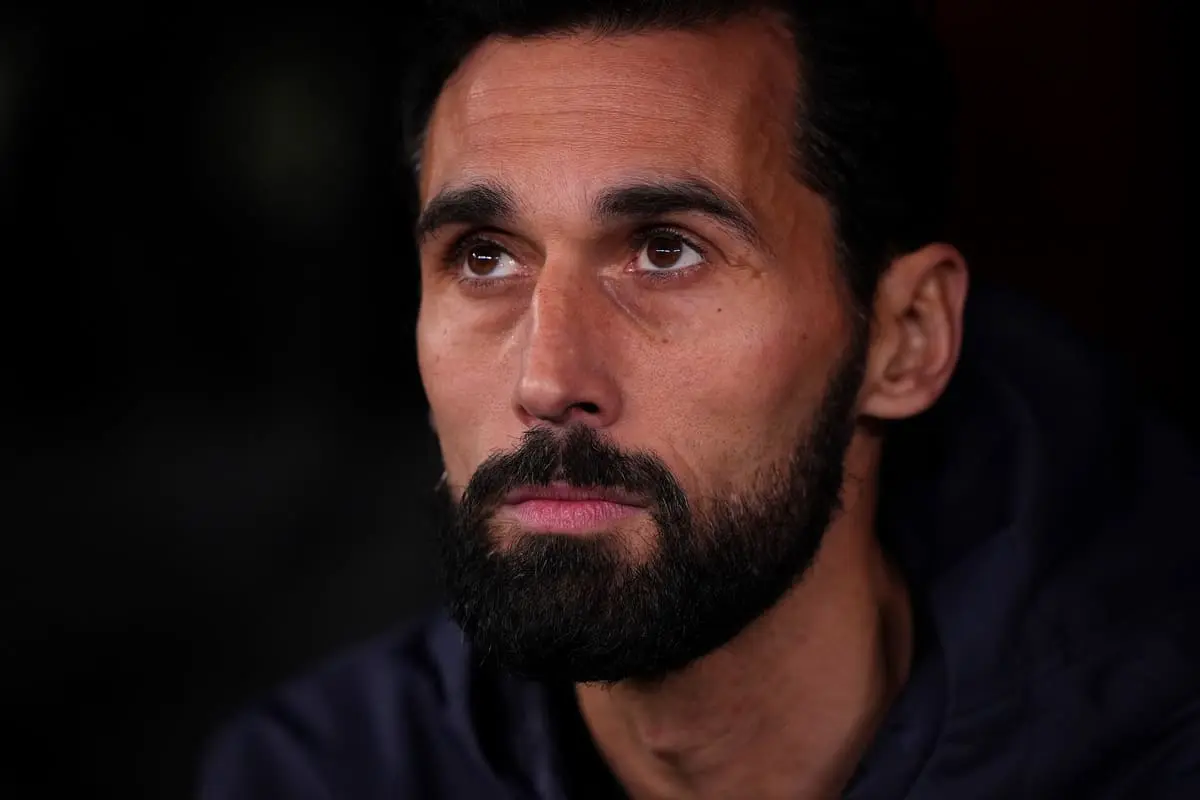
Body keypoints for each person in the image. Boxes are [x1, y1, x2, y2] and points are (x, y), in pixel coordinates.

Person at [199, 1, 1200, 797]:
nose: (547, 380)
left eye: (667, 251)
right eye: (486, 257)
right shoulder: (322, 772)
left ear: (905, 338)